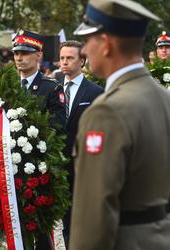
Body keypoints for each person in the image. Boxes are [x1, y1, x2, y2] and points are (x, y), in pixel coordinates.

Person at [69, 0, 170, 249]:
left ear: (106, 44)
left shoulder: (107, 111)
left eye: (88, 40)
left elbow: (93, 214)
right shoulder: (162, 97)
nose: (83, 51)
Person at [12, 29, 66, 250]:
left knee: (41, 229)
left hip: (38, 167)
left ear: (38, 56)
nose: (19, 58)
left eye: (25, 53)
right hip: (11, 166)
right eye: (16, 53)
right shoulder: (9, 87)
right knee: (15, 226)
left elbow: (57, 128)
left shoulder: (51, 88)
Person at [56, 40, 103, 249]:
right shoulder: (53, 91)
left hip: (85, 167)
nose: (64, 63)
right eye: (62, 58)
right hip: (60, 168)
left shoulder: (95, 92)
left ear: (82, 61)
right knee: (67, 223)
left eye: (70, 58)